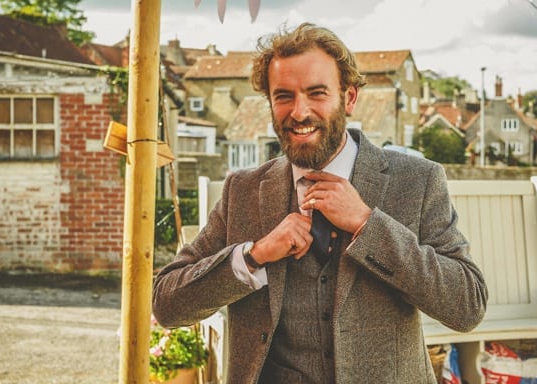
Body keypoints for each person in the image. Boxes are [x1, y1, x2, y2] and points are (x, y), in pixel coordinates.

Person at [152, 22, 487, 383]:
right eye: (283, 96)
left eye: (316, 93)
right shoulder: (244, 191)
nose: (299, 112)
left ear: (350, 98)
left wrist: (366, 224)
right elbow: (167, 304)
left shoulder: (416, 181)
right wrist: (254, 255)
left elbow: (466, 306)